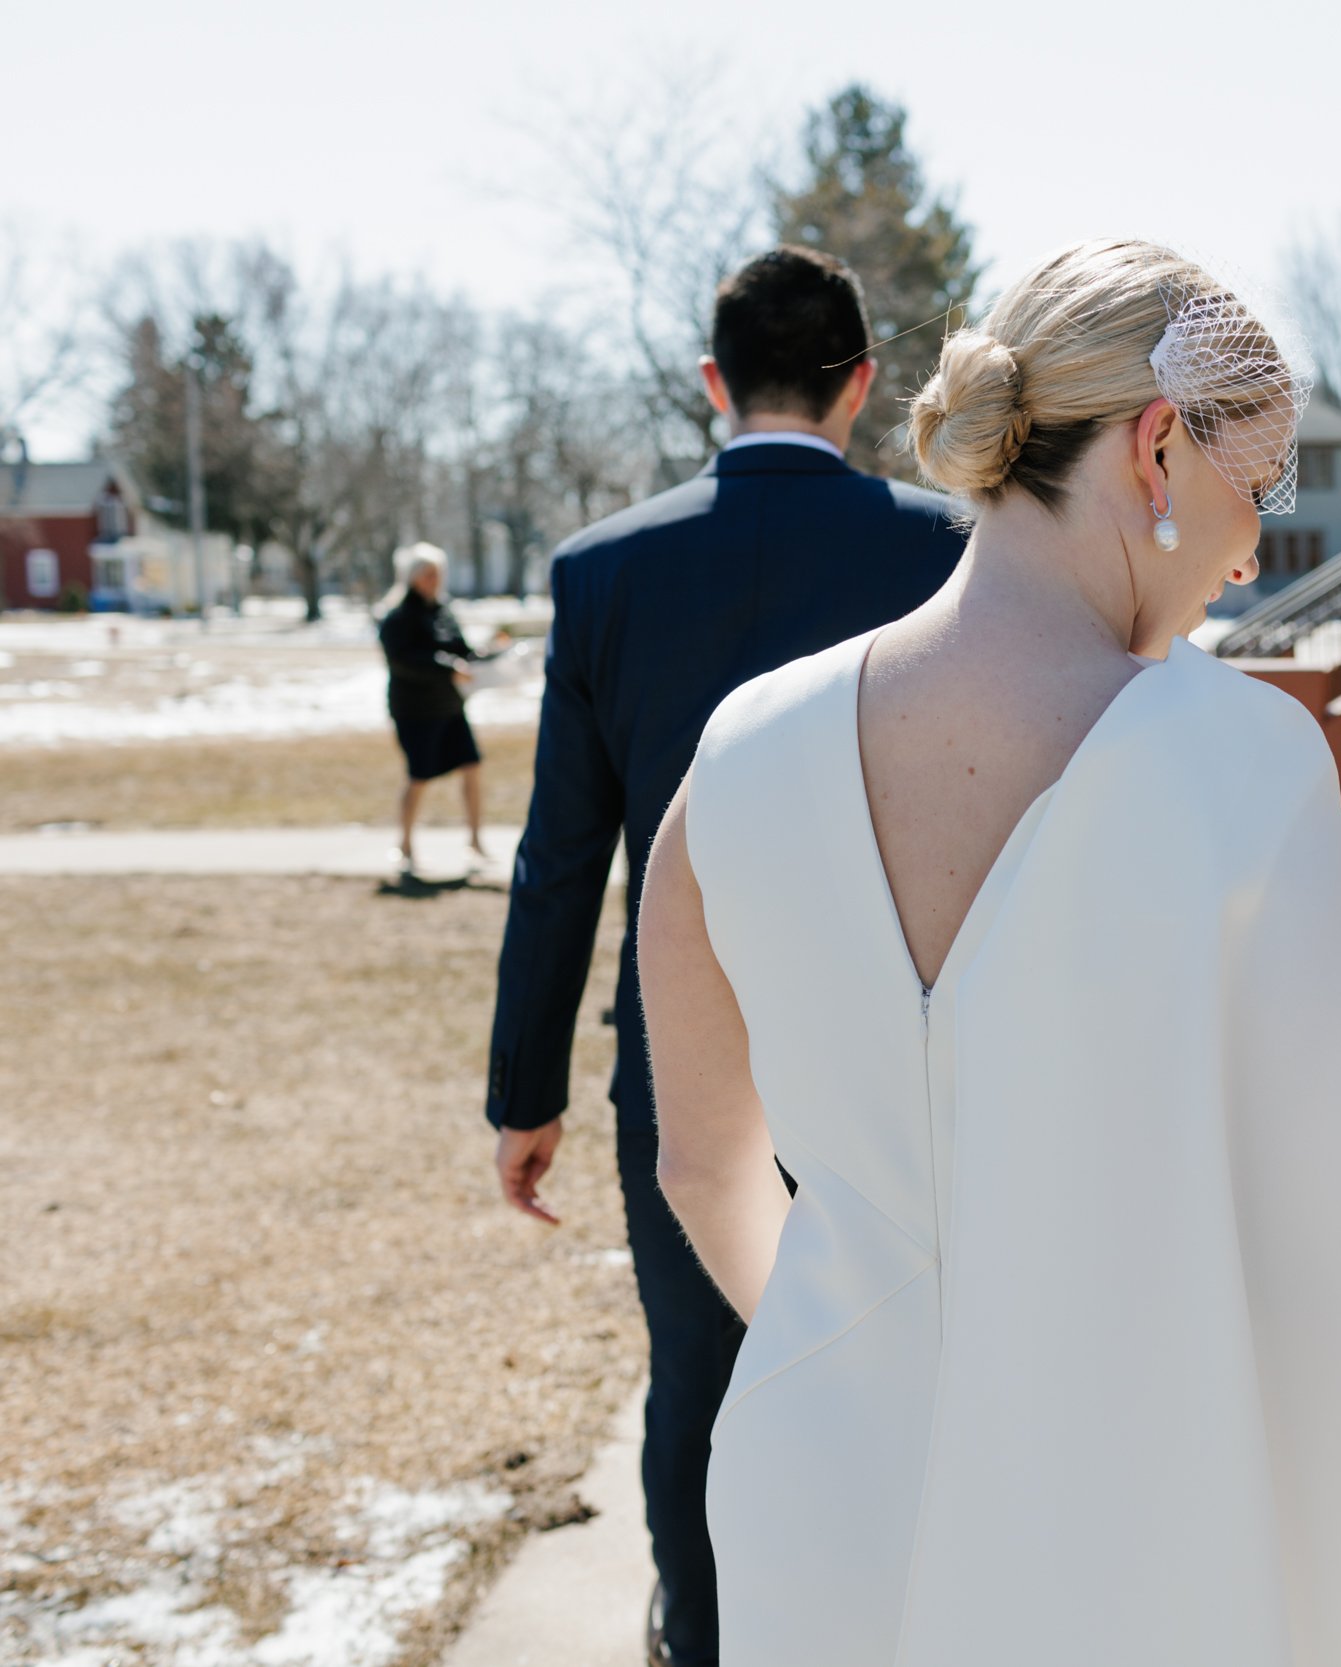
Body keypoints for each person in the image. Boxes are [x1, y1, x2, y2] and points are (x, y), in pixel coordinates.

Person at [637, 239, 1341, 1667]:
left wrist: (862, 1334)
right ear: (1153, 450)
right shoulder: (1239, 765)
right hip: (1129, 1508)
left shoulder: (734, 758)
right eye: (1252, 491)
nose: (1249, 551)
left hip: (817, 1484)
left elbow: (701, 1162)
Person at [482, 247, 964, 1667]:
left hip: (683, 1071)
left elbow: (561, 855)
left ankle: (702, 1635)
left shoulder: (607, 572)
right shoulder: (947, 548)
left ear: (713, 382)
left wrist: (526, 1092)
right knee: (905, 1371)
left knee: (697, 1379)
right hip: (904, 1061)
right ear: (864, 383)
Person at [377, 542, 501, 873]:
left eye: (439, 574)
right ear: (414, 577)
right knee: (418, 775)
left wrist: (490, 652)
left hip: (449, 706)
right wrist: (447, 668)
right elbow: (404, 661)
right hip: (414, 710)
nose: (436, 580)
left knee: (472, 766)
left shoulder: (442, 612)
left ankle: (475, 842)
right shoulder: (398, 616)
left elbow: (462, 650)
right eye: (430, 574)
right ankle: (404, 846)